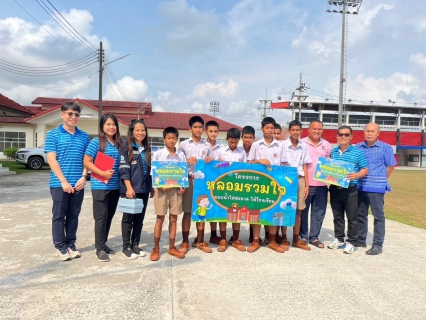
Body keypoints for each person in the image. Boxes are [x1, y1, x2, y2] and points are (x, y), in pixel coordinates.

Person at [45, 102, 90, 261]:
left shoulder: (84, 136)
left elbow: (87, 160)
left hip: (78, 183)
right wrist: (63, 181)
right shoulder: (53, 134)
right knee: (59, 216)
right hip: (59, 184)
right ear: (62, 114)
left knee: (73, 215)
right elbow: (52, 160)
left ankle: (71, 244)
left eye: (76, 114)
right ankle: (60, 247)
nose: (73, 117)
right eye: (70, 114)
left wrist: (84, 177)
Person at [84, 113, 122, 262]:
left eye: (113, 124)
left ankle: (103, 243)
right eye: (108, 124)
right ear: (102, 126)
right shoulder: (96, 142)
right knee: (100, 217)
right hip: (100, 185)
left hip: (115, 186)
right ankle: (99, 249)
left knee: (109, 216)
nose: (111, 127)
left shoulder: (120, 142)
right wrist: (102, 173)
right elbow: (87, 162)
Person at [356, 123, 396, 255]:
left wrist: (381, 179)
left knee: (378, 216)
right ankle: (361, 239)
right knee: (361, 214)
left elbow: (390, 166)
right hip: (360, 186)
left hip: (376, 188)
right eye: (367, 131)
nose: (369, 133)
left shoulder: (385, 148)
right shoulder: (358, 147)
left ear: (378, 133)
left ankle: (377, 244)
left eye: (372, 131)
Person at [328, 126, 368, 254]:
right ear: (337, 136)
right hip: (335, 188)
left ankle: (352, 242)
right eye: (341, 134)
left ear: (351, 137)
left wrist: (356, 175)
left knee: (352, 217)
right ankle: (339, 239)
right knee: (337, 216)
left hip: (350, 189)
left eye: (346, 135)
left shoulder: (357, 152)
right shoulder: (333, 152)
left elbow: (365, 169)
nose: (343, 137)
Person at [247, 117, 285, 253]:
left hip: (275, 183)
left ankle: (272, 240)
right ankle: (256, 240)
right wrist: (259, 161)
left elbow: (284, 164)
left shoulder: (280, 145)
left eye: (272, 128)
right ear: (262, 129)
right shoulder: (256, 145)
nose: (270, 130)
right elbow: (249, 162)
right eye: (267, 128)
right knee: (257, 210)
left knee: (275, 210)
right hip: (259, 183)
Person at [118, 119, 154, 260]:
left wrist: (151, 187)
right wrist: (128, 187)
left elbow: (150, 170)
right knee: (128, 218)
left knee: (139, 219)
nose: (140, 133)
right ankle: (126, 246)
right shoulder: (125, 147)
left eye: (143, 130)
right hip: (130, 190)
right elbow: (124, 169)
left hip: (144, 189)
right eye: (137, 130)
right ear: (132, 131)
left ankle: (135, 244)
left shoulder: (147, 148)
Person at [150, 127, 186, 261]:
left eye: (174, 138)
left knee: (174, 218)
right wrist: (159, 185)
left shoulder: (181, 155)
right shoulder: (158, 154)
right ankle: (156, 248)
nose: (171, 140)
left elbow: (183, 172)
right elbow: (154, 173)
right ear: (164, 139)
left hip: (176, 191)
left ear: (177, 139)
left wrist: (182, 186)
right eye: (169, 138)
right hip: (162, 191)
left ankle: (172, 247)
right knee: (160, 218)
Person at [178, 116, 212, 254]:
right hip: (189, 180)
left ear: (203, 129)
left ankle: (200, 241)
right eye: (195, 127)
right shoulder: (183, 145)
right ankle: (185, 241)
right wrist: (186, 161)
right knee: (187, 212)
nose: (198, 130)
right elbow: (178, 163)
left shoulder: (207, 146)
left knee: (201, 211)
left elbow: (211, 165)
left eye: (200, 127)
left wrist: (210, 160)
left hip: (202, 182)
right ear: (189, 128)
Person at [300, 120, 332, 248]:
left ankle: (314, 237)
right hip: (305, 184)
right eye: (314, 129)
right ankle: (303, 236)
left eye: (319, 129)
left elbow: (330, 163)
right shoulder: (302, 143)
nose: (317, 131)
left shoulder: (327, 145)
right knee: (303, 210)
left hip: (322, 185)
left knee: (319, 212)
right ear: (308, 130)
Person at [281, 120, 312, 251]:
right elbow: (281, 164)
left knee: (299, 210)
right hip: (286, 180)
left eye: (297, 130)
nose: (295, 132)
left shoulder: (304, 146)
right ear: (289, 131)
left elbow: (304, 166)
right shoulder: (282, 145)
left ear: (301, 131)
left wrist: (307, 185)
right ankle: (283, 238)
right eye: (293, 130)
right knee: (284, 209)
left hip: (300, 179)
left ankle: (295, 239)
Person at [215, 128, 247, 252]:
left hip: (237, 188)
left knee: (236, 211)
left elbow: (245, 169)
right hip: (223, 186)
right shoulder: (220, 151)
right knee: (223, 211)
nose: (233, 144)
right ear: (227, 139)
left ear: (239, 140)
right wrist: (222, 164)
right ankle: (223, 239)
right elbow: (215, 166)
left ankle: (235, 239)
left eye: (235, 142)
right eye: (231, 142)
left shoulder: (242, 152)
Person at [204, 120, 222, 246]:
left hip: (217, 182)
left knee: (215, 206)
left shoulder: (222, 148)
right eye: (211, 131)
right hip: (203, 181)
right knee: (203, 207)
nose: (213, 134)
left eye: (215, 131)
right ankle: (200, 236)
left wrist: (222, 161)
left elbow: (226, 164)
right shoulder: (202, 146)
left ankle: (214, 234)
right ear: (206, 132)